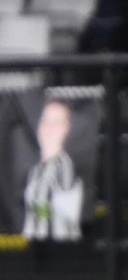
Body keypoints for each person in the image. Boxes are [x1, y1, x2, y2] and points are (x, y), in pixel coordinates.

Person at [23, 99, 83, 241]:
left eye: (57, 122)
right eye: (46, 120)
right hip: (35, 250)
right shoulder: (36, 171)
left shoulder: (64, 166)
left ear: (66, 128)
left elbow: (64, 212)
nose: (49, 127)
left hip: (59, 250)